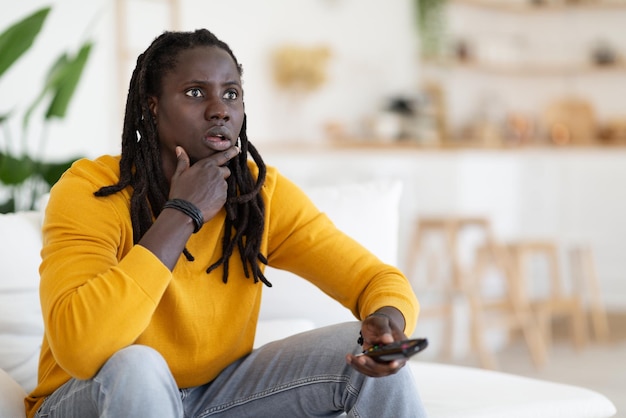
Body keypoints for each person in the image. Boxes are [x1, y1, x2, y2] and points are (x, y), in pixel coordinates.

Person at [25, 28, 427, 417]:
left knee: (363, 357)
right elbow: (81, 349)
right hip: (90, 396)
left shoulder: (258, 195)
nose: (219, 109)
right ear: (152, 105)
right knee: (138, 365)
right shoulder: (94, 190)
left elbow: (375, 279)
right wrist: (182, 213)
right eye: (195, 92)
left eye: (231, 94)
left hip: (213, 398)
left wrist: (387, 323)